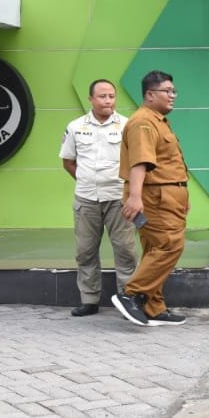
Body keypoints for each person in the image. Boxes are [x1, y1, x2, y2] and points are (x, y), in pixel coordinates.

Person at [111, 70, 190, 327]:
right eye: (167, 91)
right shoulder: (143, 122)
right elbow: (140, 162)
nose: (172, 96)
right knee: (170, 245)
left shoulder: (157, 121)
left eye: (173, 91)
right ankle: (131, 294)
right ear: (149, 94)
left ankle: (154, 307)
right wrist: (134, 197)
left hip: (165, 197)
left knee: (155, 249)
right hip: (155, 197)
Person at [60, 79, 138, 317]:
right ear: (91, 99)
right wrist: (87, 180)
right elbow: (68, 162)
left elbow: (137, 164)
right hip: (86, 199)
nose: (108, 101)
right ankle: (89, 300)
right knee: (85, 251)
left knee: (126, 251)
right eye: (102, 96)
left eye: (112, 96)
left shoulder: (128, 125)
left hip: (118, 199)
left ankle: (129, 299)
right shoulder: (75, 126)